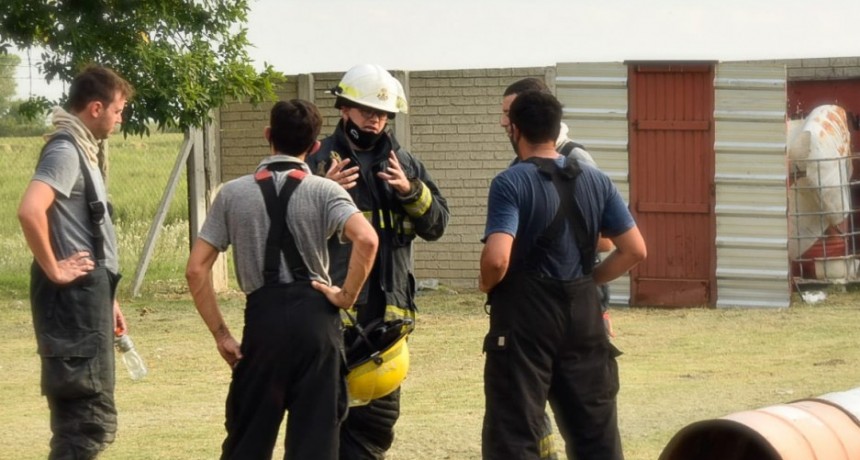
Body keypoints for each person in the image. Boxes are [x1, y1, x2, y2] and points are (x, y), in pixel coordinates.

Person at [185, 100, 379, 459]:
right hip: (317, 325)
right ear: (315, 146)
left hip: (264, 325)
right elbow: (367, 239)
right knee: (316, 446)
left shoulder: (232, 194)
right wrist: (346, 296)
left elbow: (196, 268)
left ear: (267, 136)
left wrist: (221, 334)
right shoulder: (326, 191)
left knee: (247, 442)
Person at [479, 90, 646, 460]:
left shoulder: (510, 182)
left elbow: (497, 259)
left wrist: (486, 283)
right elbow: (635, 249)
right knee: (595, 432)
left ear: (516, 130)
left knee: (515, 432)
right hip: (584, 317)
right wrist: (592, 281)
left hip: (525, 320)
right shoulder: (596, 180)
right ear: (557, 130)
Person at [305, 64, 449, 460]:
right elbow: (286, 231)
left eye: (384, 114)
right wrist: (323, 190)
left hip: (385, 317)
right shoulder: (316, 160)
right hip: (332, 311)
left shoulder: (405, 164)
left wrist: (411, 191)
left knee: (376, 429)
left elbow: (437, 225)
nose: (376, 120)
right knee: (321, 423)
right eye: (368, 111)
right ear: (344, 108)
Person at [18, 65, 133, 459]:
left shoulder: (83, 149)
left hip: (88, 300)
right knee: (86, 424)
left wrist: (109, 300)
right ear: (97, 108)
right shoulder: (66, 150)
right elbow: (30, 210)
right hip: (72, 303)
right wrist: (54, 267)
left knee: (86, 422)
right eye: (119, 110)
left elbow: (83, 232)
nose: (121, 118)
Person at [501, 77, 616, 334]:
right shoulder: (517, 168)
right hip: (536, 301)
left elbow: (607, 239)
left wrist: (584, 280)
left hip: (578, 301)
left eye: (509, 114)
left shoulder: (577, 159)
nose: (503, 122)